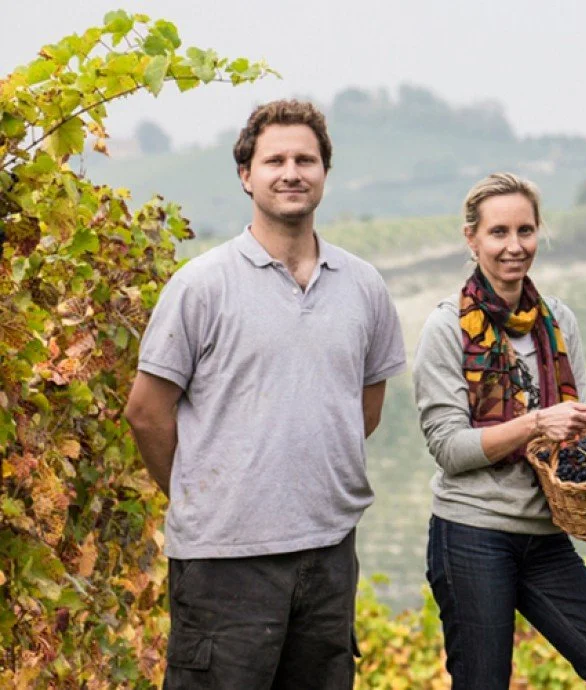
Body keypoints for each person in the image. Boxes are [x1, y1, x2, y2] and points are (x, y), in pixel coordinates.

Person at [123, 99, 407, 688]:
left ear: (325, 172)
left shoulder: (362, 286)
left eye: (306, 159)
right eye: (274, 159)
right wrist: (206, 494)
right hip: (225, 563)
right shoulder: (201, 285)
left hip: (329, 553)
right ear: (245, 175)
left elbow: (363, 408)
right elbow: (146, 413)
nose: (291, 171)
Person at [412, 172, 586, 689]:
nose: (514, 246)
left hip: (545, 536)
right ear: (472, 239)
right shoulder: (446, 328)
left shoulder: (558, 322)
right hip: (471, 534)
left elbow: (571, 433)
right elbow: (448, 448)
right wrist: (533, 424)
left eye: (525, 231)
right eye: (498, 232)